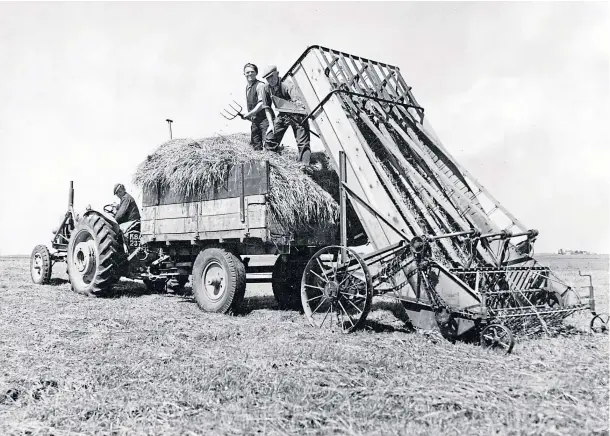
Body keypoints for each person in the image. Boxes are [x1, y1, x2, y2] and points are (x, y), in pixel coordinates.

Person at [262, 65, 311, 164]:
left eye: (272, 76)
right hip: (283, 114)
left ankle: (305, 166)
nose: (270, 80)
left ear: (277, 74)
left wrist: (296, 115)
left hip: (298, 114)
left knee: (303, 143)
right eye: (268, 78)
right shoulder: (266, 88)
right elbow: (267, 107)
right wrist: (271, 124)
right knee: (270, 138)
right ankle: (270, 164)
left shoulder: (288, 84)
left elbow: (299, 103)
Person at [241, 63, 274, 151]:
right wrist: (248, 116)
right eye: (247, 72)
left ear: (256, 73)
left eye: (252, 72)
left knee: (268, 145)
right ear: (244, 74)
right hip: (255, 121)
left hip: (265, 120)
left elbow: (261, 104)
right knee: (256, 147)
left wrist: (249, 114)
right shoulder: (247, 87)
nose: (249, 74)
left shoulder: (260, 85)